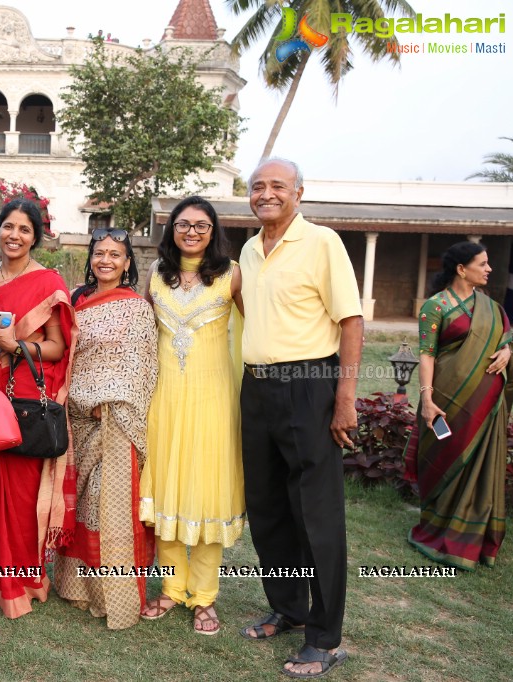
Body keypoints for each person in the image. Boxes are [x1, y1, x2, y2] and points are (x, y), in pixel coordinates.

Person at [238, 158, 363, 679]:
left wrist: (344, 397)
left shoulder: (323, 242)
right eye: (258, 186)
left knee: (316, 514)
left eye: (277, 186)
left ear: (299, 193)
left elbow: (351, 320)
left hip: (309, 386)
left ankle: (326, 636)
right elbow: (252, 307)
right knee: (267, 508)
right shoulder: (249, 248)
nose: (266, 194)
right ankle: (288, 608)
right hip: (257, 388)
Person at [0, 198, 76, 618]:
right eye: (8, 227)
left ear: (36, 237)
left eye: (24, 230)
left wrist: (16, 346)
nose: (14, 235)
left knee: (21, 490)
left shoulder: (48, 283)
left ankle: (19, 578)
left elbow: (56, 346)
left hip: (23, 396)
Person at [138, 197, 245, 635]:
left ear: (214, 230)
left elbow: (256, 328)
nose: (192, 232)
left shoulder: (231, 274)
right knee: (166, 488)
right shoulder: (155, 275)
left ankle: (204, 598)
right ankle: (171, 589)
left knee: (206, 490)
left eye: (202, 225)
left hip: (214, 400)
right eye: (184, 224)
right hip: (164, 399)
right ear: (172, 229)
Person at [53, 228, 157, 630]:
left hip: (115, 420)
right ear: (91, 258)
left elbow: (141, 365)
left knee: (108, 508)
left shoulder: (136, 309)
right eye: (100, 253)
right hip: (75, 416)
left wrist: (109, 401)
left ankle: (115, 597)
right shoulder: (76, 301)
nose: (107, 260)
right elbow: (67, 354)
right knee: (78, 506)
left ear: (128, 262)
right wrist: (78, 399)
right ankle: (76, 587)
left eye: (116, 254)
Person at [405, 241, 511, 570]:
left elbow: (505, 337)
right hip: (447, 400)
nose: (489, 269)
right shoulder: (435, 307)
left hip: (487, 405)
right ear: (462, 269)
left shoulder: (492, 308)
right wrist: (427, 398)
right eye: (483, 263)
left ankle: (473, 538)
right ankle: (439, 529)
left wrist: (508, 351)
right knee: (444, 458)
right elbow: (427, 355)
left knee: (479, 467)